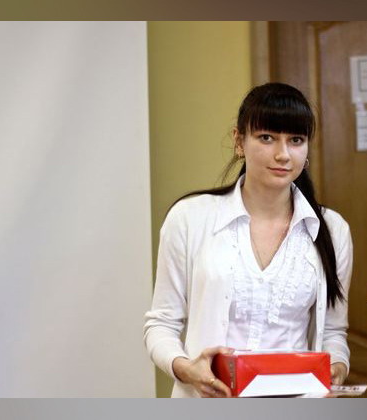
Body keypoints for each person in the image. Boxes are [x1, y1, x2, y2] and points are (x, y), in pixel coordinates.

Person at [144, 83, 353, 398]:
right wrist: (186, 368)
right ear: (239, 141)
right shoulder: (189, 218)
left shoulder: (332, 229)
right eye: (267, 138)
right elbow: (161, 324)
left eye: (296, 140)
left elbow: (334, 332)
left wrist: (336, 368)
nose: (283, 154)